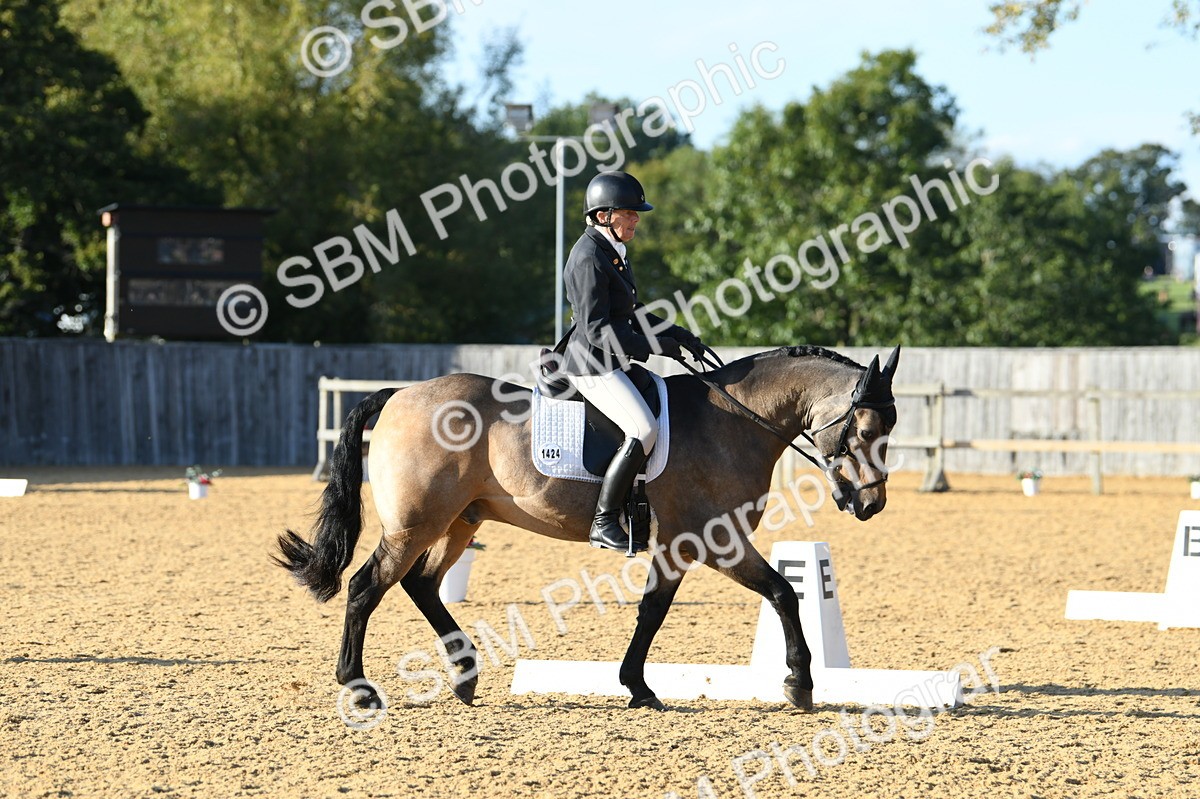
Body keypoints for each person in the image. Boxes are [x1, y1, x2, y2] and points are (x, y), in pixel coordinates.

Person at [558, 171, 706, 553]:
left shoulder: (610, 252)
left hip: (610, 359)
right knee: (643, 429)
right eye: (630, 213)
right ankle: (604, 521)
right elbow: (596, 329)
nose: (637, 219)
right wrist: (655, 348)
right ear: (604, 215)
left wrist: (678, 334)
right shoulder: (589, 257)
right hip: (592, 365)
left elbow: (631, 311)